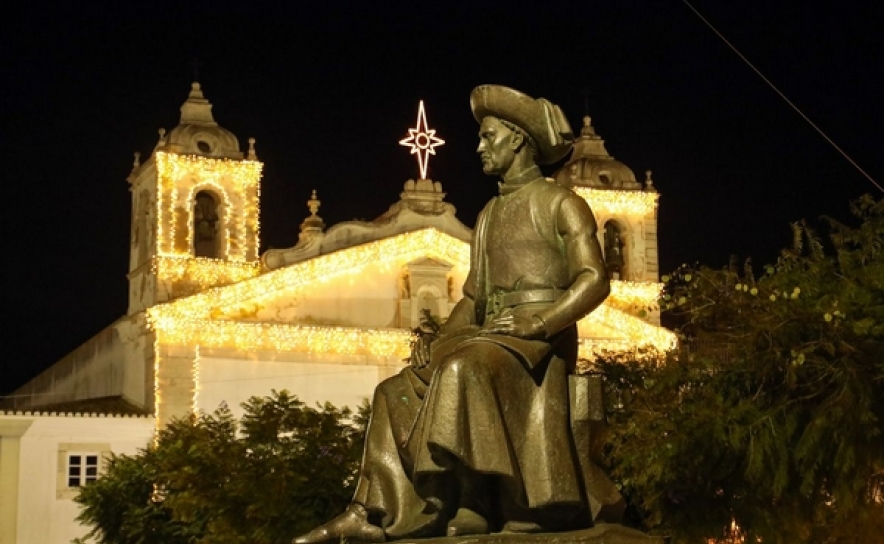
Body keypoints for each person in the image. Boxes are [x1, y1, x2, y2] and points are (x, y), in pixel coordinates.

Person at [293, 85, 613, 543]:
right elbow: (473, 298)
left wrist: (539, 323)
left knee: (462, 369)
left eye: (488, 137)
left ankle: (473, 501)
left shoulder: (561, 203)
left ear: (518, 140)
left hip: (539, 343)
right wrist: (437, 339)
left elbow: (594, 281)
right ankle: (374, 511)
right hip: (491, 335)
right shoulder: (489, 215)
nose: (479, 147)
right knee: (395, 389)